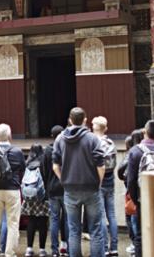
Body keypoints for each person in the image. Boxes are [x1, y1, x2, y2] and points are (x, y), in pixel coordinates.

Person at [52, 107, 105, 257]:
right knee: (95, 230)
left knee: (73, 230)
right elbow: (101, 165)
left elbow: (55, 165)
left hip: (70, 189)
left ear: (70, 120)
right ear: (85, 120)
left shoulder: (60, 139)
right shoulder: (92, 138)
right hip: (91, 188)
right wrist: (98, 182)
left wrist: (64, 180)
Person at [126, 121, 154, 254]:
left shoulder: (135, 152)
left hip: (142, 200)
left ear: (144, 132)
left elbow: (131, 181)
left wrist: (136, 200)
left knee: (140, 235)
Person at [0, 123, 25, 257]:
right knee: (13, 224)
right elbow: (23, 170)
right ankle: (9, 253)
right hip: (12, 190)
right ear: (9, 135)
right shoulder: (17, 151)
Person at [91, 117, 119, 257]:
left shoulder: (94, 143)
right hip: (110, 179)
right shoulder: (111, 143)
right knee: (112, 215)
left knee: (101, 216)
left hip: (98, 181)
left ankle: (105, 246)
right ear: (105, 128)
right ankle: (114, 247)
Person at [22, 144, 50, 257]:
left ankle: (29, 248)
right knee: (43, 222)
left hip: (29, 197)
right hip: (42, 197)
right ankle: (42, 250)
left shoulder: (27, 163)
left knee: (31, 221)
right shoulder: (43, 163)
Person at [46, 125, 68, 257]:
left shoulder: (47, 151)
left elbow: (43, 171)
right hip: (65, 188)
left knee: (53, 219)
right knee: (67, 219)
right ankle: (67, 247)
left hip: (52, 189)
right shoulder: (67, 149)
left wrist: (46, 186)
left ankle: (54, 250)